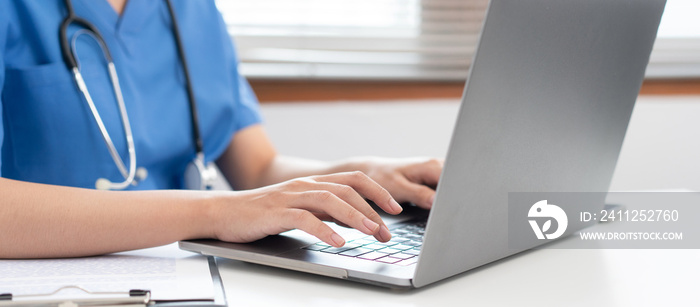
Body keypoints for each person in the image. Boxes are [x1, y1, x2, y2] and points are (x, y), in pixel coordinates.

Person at [0, 0, 442, 259]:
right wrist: (216, 212)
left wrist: (357, 174)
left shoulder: (190, 9)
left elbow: (258, 168)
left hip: (183, 272)